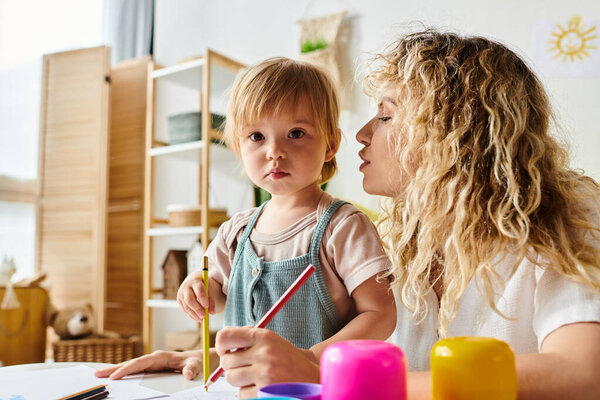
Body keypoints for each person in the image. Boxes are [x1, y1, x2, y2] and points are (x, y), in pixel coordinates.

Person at [97, 30, 600, 399]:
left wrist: (322, 372)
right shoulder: (402, 236)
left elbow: (582, 374)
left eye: (385, 115)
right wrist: (226, 361)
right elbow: (396, 365)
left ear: (458, 129)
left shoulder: (566, 213)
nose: (360, 135)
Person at [95, 57, 395, 380]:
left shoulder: (343, 226)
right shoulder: (234, 233)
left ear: (331, 144)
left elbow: (380, 314)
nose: (274, 151)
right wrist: (197, 287)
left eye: (296, 133)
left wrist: (310, 359)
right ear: (238, 146)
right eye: (256, 137)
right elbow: (216, 296)